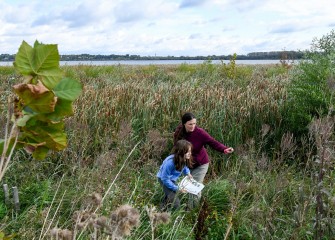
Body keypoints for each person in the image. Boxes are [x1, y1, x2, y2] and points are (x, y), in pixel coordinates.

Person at [174, 112, 234, 208]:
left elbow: (212, 142)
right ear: (184, 123)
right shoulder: (179, 132)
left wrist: (224, 149)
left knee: (194, 187)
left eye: (194, 123)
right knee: (184, 185)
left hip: (200, 164)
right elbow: (177, 147)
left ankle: (192, 211)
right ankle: (180, 207)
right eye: (190, 124)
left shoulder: (200, 133)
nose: (193, 126)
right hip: (186, 164)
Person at [157, 139, 193, 210]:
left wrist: (188, 173)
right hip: (163, 179)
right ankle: (176, 216)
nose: (190, 153)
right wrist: (177, 188)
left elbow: (184, 167)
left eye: (190, 151)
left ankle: (161, 210)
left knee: (169, 196)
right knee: (176, 202)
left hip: (171, 179)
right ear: (181, 152)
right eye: (187, 152)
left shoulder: (183, 158)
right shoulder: (170, 163)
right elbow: (165, 179)